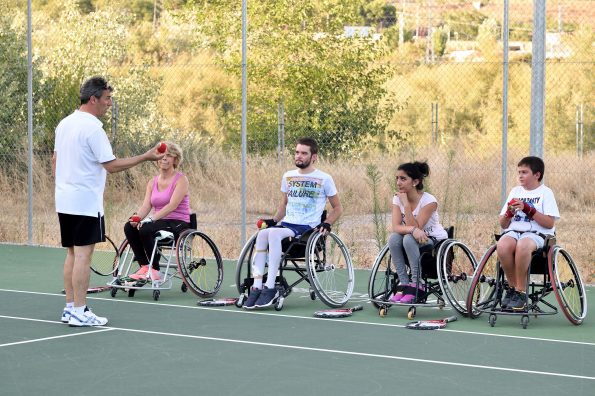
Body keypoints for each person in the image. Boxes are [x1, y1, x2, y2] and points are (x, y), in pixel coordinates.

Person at [53, 76, 165, 327]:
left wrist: (65, 185)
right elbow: (112, 166)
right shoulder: (93, 128)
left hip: (65, 200)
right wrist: (146, 157)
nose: (109, 104)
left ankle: (70, 308)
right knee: (83, 255)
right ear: (93, 99)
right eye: (107, 99)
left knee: (72, 253)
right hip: (84, 203)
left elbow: (55, 162)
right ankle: (80, 311)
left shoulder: (64, 124)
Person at [243, 137, 343, 309]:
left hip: (307, 228)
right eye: (297, 152)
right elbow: (284, 204)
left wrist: (327, 223)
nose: (299, 156)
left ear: (314, 157)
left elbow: (338, 208)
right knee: (263, 233)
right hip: (288, 224)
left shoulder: (324, 178)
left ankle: (271, 287)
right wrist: (273, 220)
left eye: (304, 153)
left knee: (273, 233)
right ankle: (257, 287)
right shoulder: (288, 176)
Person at [497, 156, 559, 311]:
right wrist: (509, 214)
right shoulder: (515, 191)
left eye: (524, 172)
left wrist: (528, 208)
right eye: (519, 172)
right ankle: (513, 290)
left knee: (523, 245)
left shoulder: (546, 193)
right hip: (514, 231)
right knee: (503, 245)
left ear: (537, 175)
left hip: (537, 233)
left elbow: (549, 223)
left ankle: (520, 291)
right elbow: (503, 224)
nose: (520, 175)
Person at [124, 141, 191, 281]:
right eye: (161, 155)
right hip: (158, 221)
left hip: (178, 222)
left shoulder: (181, 180)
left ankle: (155, 270)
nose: (164, 159)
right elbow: (146, 206)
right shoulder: (152, 182)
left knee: (146, 228)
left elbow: (172, 205)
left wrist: (151, 219)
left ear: (175, 159)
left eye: (169, 156)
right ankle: (144, 266)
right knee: (129, 227)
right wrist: (136, 218)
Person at [387, 161, 448, 304]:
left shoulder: (429, 201)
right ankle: (404, 283)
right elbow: (396, 227)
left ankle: (416, 283)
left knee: (408, 239)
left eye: (403, 179)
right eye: (397, 178)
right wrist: (413, 230)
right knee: (394, 238)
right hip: (412, 236)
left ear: (415, 181)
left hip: (433, 239)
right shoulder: (397, 198)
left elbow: (416, 226)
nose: (398, 182)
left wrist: (406, 205)